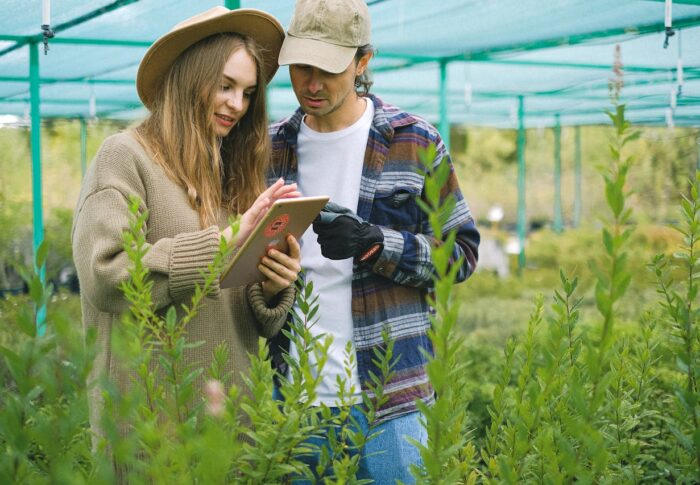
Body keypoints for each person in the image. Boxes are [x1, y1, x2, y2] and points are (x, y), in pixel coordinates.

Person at [268, 0, 480, 482]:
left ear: (363, 62)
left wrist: (374, 244)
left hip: (392, 398)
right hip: (296, 397)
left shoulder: (415, 142)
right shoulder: (270, 147)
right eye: (301, 67)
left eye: (329, 69)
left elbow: (461, 255)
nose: (312, 84)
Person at [71, 7, 301, 445]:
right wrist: (229, 239)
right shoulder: (125, 157)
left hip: (235, 426)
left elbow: (237, 308)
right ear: (190, 79)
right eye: (225, 86)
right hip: (152, 431)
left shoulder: (230, 171)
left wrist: (271, 287)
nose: (237, 104)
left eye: (248, 93)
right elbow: (107, 276)